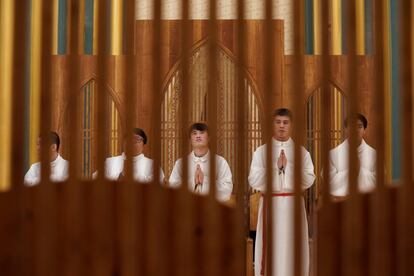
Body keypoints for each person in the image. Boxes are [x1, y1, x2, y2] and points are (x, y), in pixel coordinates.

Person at [248, 108, 315, 276]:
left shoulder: (301, 152)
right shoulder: (261, 152)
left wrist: (288, 168)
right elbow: (253, 180)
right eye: (278, 122)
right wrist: (275, 168)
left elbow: (309, 179)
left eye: (285, 123)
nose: (281, 126)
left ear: (291, 125)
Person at [169, 122, 233, 202]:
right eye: (194, 133)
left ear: (209, 138)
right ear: (190, 139)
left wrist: (205, 181)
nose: (198, 136)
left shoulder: (220, 162)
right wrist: (192, 181)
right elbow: (172, 189)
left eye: (202, 133)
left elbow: (227, 189)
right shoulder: (180, 163)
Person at [329, 113, 376, 197]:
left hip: (366, 202)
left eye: (359, 126)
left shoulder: (374, 155)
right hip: (341, 202)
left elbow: (379, 181)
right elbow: (328, 181)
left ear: (364, 130)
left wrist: (360, 172)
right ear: (346, 129)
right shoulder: (333, 154)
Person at [94, 128, 164, 182]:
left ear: (144, 145)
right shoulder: (110, 162)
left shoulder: (152, 165)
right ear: (124, 143)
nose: (132, 142)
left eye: (137, 139)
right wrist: (120, 176)